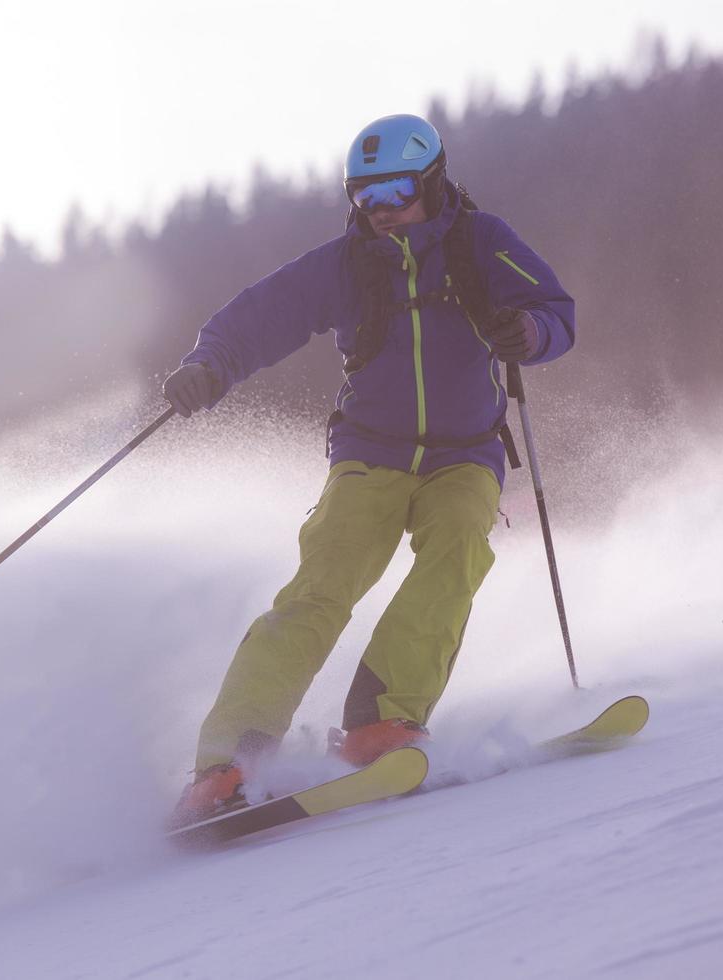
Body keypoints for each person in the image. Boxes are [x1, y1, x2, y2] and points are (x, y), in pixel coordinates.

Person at [163, 114, 575, 826]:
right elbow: (261, 316)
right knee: (319, 589)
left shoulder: (481, 242)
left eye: (396, 191)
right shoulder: (346, 263)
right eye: (365, 197)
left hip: (464, 451)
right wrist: (208, 367)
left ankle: (380, 724)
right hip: (369, 452)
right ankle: (224, 763)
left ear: (433, 182)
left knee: (455, 554)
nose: (382, 211)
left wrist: (528, 332)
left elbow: (554, 311)